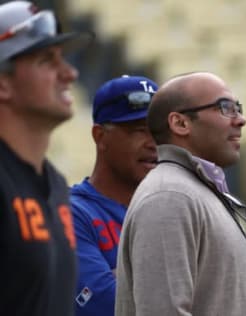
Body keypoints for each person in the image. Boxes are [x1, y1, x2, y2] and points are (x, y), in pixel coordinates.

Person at [115, 71, 246, 316]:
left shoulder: (192, 191)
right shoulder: (169, 196)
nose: (240, 120)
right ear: (180, 123)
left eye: (238, 108)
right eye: (225, 108)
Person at [0, 1, 93, 315]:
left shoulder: (53, 182)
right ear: (3, 82)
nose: (69, 73)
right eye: (46, 61)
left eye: (63, 59)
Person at [70, 75, 158, 316]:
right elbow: (105, 305)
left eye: (159, 132)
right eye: (139, 130)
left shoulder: (170, 210)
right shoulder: (72, 213)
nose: (154, 143)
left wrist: (123, 274)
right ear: (100, 136)